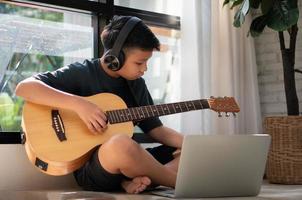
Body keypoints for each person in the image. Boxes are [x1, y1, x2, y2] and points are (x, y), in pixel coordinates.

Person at [15, 15, 183, 194]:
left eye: (146, 62)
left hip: (132, 161)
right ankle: (177, 182)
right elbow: (24, 88)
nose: (144, 69)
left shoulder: (137, 84)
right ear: (115, 57)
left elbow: (156, 129)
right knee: (121, 144)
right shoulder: (82, 73)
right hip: (96, 168)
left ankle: (139, 181)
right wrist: (79, 105)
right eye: (139, 62)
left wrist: (192, 143)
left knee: (188, 153)